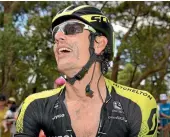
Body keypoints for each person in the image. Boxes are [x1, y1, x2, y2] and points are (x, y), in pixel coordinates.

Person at [15, 5, 158, 137]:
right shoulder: (34, 104)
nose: (57, 37)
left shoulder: (138, 104)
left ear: (98, 43)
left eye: (71, 29)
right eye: (54, 34)